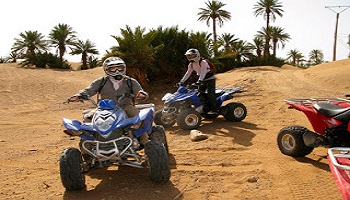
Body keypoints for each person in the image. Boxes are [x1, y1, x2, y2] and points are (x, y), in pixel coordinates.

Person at [71, 56, 150, 144]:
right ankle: (88, 145)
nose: (117, 71)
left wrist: (142, 95)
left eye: (119, 68)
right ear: (106, 70)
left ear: (124, 68)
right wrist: (79, 95)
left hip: (125, 106)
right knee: (87, 118)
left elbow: (140, 92)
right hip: (103, 108)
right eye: (112, 69)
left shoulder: (130, 81)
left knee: (137, 116)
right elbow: (89, 90)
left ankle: (145, 140)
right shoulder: (101, 81)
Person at [177, 48, 218, 114]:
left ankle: (214, 110)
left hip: (210, 79)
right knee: (199, 94)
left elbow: (203, 72)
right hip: (202, 79)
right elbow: (188, 73)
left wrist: (200, 81)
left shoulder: (203, 62)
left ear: (197, 55)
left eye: (192, 56)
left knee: (211, 94)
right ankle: (204, 108)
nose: (190, 58)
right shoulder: (191, 64)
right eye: (189, 56)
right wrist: (181, 82)